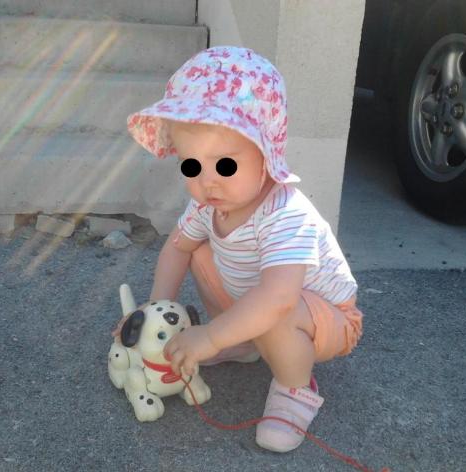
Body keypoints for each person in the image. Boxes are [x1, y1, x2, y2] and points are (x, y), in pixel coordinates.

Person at [114, 46, 363, 453]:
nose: (207, 182)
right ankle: (242, 343)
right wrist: (154, 314)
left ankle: (295, 389)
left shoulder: (286, 213)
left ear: (266, 156)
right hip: (257, 299)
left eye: (225, 165)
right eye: (191, 166)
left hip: (326, 318)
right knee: (196, 250)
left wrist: (210, 337)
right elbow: (176, 249)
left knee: (276, 308)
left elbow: (279, 298)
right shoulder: (207, 206)